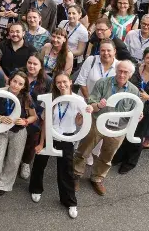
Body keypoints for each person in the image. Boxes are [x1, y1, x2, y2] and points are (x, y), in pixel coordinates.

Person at [73, 61, 140, 196]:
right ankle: (75, 175)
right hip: (97, 122)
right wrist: (98, 105)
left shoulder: (134, 91)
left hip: (118, 129)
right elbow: (91, 103)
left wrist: (138, 116)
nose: (122, 74)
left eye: (125, 72)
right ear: (116, 70)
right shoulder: (103, 83)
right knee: (83, 150)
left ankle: (97, 178)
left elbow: (135, 112)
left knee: (107, 155)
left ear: (130, 74)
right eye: (120, 71)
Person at [29, 72, 86, 219]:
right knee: (40, 163)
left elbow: (79, 123)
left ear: (70, 82)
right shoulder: (50, 98)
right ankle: (36, 188)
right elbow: (45, 123)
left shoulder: (79, 100)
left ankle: (70, 202)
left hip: (67, 137)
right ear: (55, 84)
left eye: (64, 81)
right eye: (58, 82)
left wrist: (80, 119)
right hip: (50, 135)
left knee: (66, 169)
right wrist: (41, 143)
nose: (62, 85)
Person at [113, 48, 149, 173]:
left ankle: (130, 162)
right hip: (129, 106)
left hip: (146, 111)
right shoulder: (136, 69)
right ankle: (119, 156)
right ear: (144, 58)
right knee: (124, 132)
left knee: (137, 137)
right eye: (148, 57)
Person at [0, 71, 37, 195]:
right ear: (10, 80)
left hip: (18, 131)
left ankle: (5, 185)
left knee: (14, 160)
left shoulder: (26, 98)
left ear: (24, 86)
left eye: (20, 84)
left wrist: (25, 121)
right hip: (1, 129)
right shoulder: (1, 93)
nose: (16, 85)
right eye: (14, 81)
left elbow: (34, 117)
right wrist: (0, 117)